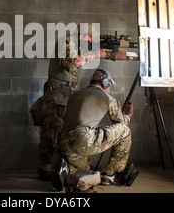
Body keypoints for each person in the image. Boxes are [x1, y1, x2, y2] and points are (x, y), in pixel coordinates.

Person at [35, 25, 129, 181]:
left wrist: (135, 57)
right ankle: (44, 168)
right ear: (81, 36)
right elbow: (75, 63)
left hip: (71, 92)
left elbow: (113, 55)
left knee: (69, 130)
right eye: (90, 39)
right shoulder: (65, 42)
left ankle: (65, 167)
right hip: (57, 91)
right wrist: (93, 54)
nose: (91, 42)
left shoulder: (83, 47)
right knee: (52, 131)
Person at [59, 69, 134, 186]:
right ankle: (110, 175)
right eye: (109, 85)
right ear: (105, 83)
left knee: (87, 170)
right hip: (82, 141)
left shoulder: (75, 95)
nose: (109, 88)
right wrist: (128, 115)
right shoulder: (107, 98)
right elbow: (122, 123)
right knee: (125, 130)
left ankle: (66, 171)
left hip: (64, 144)